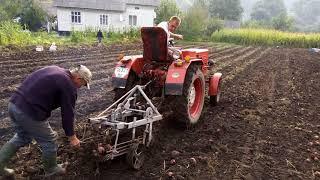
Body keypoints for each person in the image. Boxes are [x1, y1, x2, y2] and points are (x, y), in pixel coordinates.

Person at [0, 65, 92, 177]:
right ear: (79, 79)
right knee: (50, 139)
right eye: (82, 85)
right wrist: (72, 137)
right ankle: (51, 169)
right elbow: (68, 114)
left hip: (14, 104)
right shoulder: (69, 85)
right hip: (29, 111)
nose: (80, 87)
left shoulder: (55, 69)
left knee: (22, 137)